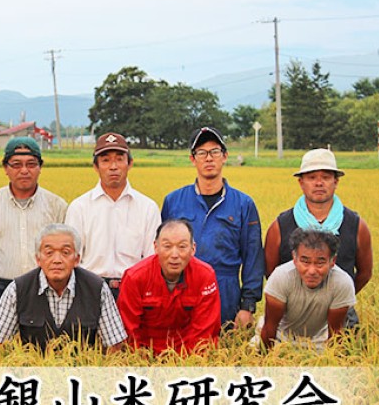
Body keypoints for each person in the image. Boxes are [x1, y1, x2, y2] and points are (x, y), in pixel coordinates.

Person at [160, 126, 264, 330]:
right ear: (193, 159)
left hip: (226, 292)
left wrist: (248, 306)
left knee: (224, 343)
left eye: (215, 151)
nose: (209, 158)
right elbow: (161, 254)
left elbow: (253, 256)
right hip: (182, 291)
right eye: (202, 153)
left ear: (224, 156)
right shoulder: (174, 201)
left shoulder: (243, 204)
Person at [263, 148, 372, 329]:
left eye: (326, 177)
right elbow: (270, 272)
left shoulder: (356, 225)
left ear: (335, 182)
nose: (319, 183)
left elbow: (365, 273)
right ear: (301, 182)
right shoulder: (280, 226)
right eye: (312, 177)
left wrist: (339, 298)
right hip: (292, 313)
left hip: (340, 314)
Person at [0, 223, 127, 354]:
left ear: (77, 259)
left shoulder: (97, 289)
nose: (57, 260)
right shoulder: (18, 289)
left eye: (65, 252)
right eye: (49, 252)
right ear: (38, 259)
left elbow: (114, 344)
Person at [0, 136, 68, 323]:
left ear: (40, 167)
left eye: (31, 164)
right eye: (16, 164)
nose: (24, 170)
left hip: (44, 288)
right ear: (5, 168)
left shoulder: (56, 205)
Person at [64, 132, 161, 300]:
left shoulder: (147, 207)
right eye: (105, 160)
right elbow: (71, 256)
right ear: (96, 166)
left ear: (129, 163)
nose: (113, 166)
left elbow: (152, 258)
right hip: (90, 290)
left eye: (119, 159)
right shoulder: (79, 207)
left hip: (134, 291)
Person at [117, 218, 221, 355]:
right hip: (146, 350)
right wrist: (141, 359)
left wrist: (186, 361)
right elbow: (129, 329)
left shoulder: (205, 276)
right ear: (156, 247)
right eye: (167, 246)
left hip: (188, 350)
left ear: (193, 249)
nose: (174, 255)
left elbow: (205, 330)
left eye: (182, 247)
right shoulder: (135, 278)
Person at [259, 228, 356, 351]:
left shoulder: (342, 282)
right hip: (280, 337)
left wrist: (332, 360)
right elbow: (270, 326)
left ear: (332, 261)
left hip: (318, 340)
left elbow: (335, 332)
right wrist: (264, 358)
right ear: (294, 259)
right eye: (305, 261)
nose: (312, 271)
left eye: (320, 263)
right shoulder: (281, 277)